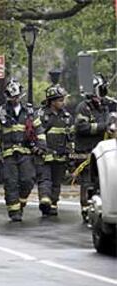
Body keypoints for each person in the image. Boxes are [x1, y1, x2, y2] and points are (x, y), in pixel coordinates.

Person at [0, 78, 46, 222]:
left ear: (20, 96)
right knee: (11, 182)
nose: (14, 99)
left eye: (16, 96)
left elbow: (39, 130)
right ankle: (14, 213)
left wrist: (41, 147)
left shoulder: (29, 112)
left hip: (26, 152)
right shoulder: (0, 113)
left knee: (28, 179)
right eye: (11, 96)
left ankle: (20, 203)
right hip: (8, 154)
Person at [74, 73, 110, 222]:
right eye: (101, 90)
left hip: (102, 153)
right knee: (87, 182)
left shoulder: (104, 107)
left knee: (101, 183)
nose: (103, 94)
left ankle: (100, 208)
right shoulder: (83, 108)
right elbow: (81, 127)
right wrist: (103, 127)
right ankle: (86, 211)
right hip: (86, 153)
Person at [36, 85, 74, 217]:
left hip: (61, 156)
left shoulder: (67, 117)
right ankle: (45, 199)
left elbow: (70, 137)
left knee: (57, 182)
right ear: (52, 101)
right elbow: (35, 133)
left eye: (63, 100)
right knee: (45, 179)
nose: (63, 103)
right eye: (60, 100)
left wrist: (71, 154)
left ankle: (53, 204)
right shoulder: (42, 116)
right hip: (45, 156)